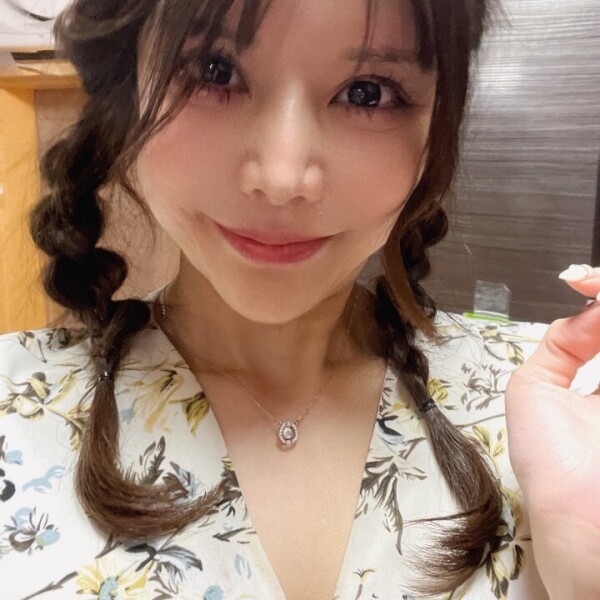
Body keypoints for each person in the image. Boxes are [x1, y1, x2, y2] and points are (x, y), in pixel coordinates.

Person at [0, 0, 598, 598]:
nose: (282, 178)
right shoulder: (15, 415)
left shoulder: (560, 406)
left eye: (367, 93)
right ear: (129, 92)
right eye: (213, 70)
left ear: (435, 129)